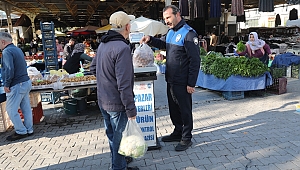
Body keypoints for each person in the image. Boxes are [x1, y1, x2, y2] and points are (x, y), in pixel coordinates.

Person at [140, 5, 200, 151]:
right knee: (174, 109)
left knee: (184, 110)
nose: (166, 21)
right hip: (171, 79)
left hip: (183, 81)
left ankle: (186, 137)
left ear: (177, 14)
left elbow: (195, 60)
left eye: (168, 17)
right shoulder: (171, 32)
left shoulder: (189, 34)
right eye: (165, 18)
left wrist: (191, 83)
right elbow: (164, 45)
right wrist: (151, 39)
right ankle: (178, 131)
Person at [90, 11, 138, 170]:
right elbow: (124, 84)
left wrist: (105, 79)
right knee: (119, 140)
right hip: (117, 104)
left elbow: (93, 68)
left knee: (112, 137)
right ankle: (119, 167)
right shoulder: (122, 48)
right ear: (127, 26)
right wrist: (131, 109)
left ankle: (119, 165)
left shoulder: (103, 44)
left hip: (103, 100)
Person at [0, 32, 33, 141]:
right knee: (26, 108)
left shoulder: (7, 51)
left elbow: (9, 69)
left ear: (2, 41)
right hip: (25, 82)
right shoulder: (17, 49)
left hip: (16, 84)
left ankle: (21, 131)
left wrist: (7, 84)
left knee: (10, 109)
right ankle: (29, 129)